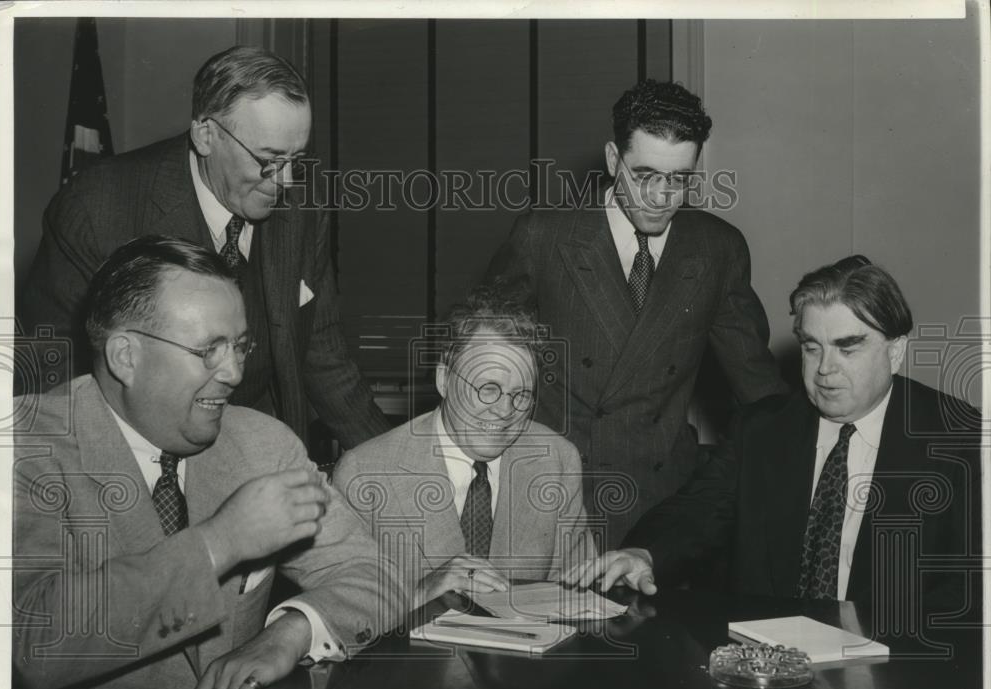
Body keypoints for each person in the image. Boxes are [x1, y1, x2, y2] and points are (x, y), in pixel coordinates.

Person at [12, 236, 406, 689]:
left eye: (240, 346)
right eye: (208, 350)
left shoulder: (263, 445)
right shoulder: (22, 448)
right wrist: (222, 541)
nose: (235, 374)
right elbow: (33, 642)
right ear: (126, 355)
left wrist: (291, 631)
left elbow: (377, 574)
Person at [19, 45, 388, 450]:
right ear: (206, 134)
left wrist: (393, 470)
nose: (284, 182)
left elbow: (325, 354)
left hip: (255, 450)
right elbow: (48, 373)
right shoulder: (97, 207)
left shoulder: (304, 207)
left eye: (296, 160)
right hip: (140, 454)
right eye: (268, 159)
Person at [568, 257, 982, 615]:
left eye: (847, 347)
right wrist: (645, 552)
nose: (824, 369)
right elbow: (698, 510)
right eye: (811, 347)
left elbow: (967, 592)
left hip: (896, 669)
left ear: (895, 352)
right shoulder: (762, 429)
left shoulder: (956, 438)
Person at [486, 79, 788, 548]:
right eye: (644, 174)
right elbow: (481, 361)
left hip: (660, 502)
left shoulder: (717, 249)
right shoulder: (544, 237)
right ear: (612, 160)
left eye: (679, 179)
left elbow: (757, 381)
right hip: (553, 491)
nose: (661, 196)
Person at [332, 284, 597, 608]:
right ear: (444, 379)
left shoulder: (556, 460)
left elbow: (577, 598)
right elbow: (339, 614)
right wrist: (419, 594)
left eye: (521, 395)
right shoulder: (367, 472)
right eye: (488, 388)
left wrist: (614, 583)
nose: (504, 411)